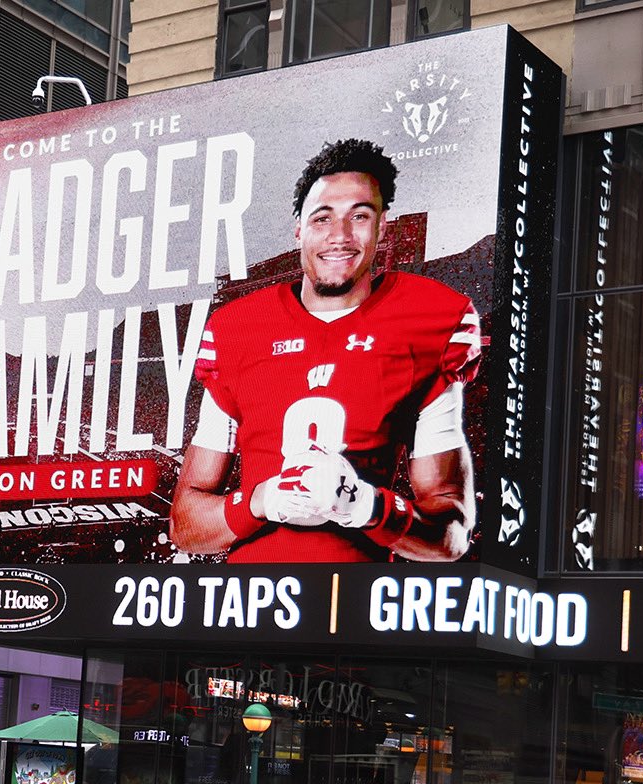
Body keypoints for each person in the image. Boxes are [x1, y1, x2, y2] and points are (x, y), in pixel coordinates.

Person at [170, 137, 481, 564]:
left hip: (356, 613)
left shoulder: (429, 320)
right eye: (322, 218)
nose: (340, 236)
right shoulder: (237, 329)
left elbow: (451, 536)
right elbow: (185, 525)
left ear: (383, 226)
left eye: (359, 216)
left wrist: (365, 506)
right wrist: (261, 500)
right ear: (298, 227)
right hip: (245, 613)